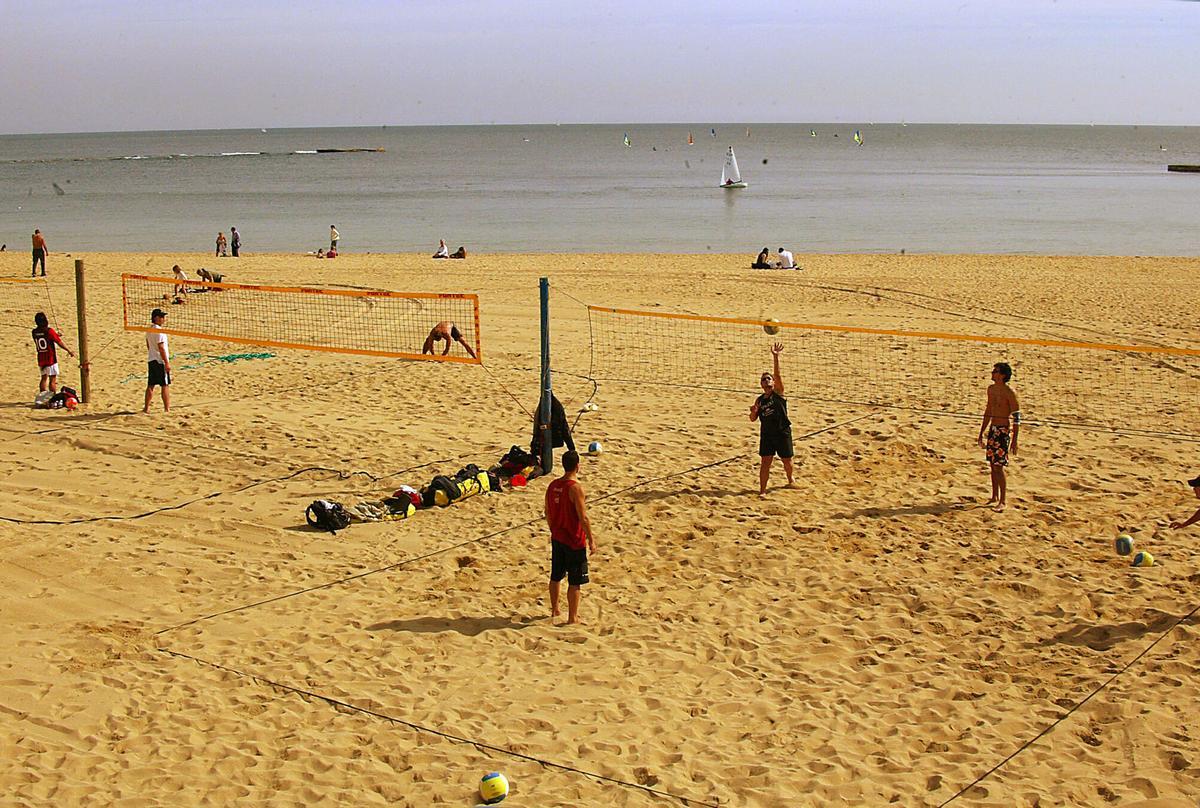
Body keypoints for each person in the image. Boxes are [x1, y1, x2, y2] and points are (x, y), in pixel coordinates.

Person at [545, 450, 595, 625]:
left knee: (556, 576)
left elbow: (548, 512)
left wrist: (553, 529)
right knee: (575, 582)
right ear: (578, 466)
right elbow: (583, 518)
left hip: (558, 537)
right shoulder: (575, 488)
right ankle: (572, 618)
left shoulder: (552, 485)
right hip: (574, 540)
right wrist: (591, 540)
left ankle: (555, 609)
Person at [750, 343, 795, 495]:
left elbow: (778, 375)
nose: (767, 380)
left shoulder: (778, 393)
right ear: (761, 384)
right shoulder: (760, 400)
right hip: (767, 435)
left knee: (787, 462)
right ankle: (762, 490)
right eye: (764, 379)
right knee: (765, 463)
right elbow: (752, 419)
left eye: (769, 379)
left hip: (782, 432)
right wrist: (754, 412)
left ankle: (790, 480)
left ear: (773, 382)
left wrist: (775, 357)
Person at [978, 361, 1020, 510]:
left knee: (998, 467)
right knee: (991, 464)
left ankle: (1002, 500)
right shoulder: (991, 389)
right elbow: (988, 411)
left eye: (995, 371)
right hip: (993, 429)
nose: (992, 373)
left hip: (1003, 431)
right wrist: (981, 432)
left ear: (1002, 375)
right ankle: (994, 496)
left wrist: (1014, 440)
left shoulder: (1009, 392)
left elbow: (1017, 417)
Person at [32, 312, 73, 394]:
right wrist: (68, 350)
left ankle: (42, 397)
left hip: (41, 358)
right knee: (52, 380)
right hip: (50, 358)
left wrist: (55, 335)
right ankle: (52, 397)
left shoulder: (34, 332)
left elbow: (44, 336)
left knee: (43, 378)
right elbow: (59, 342)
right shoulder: (49, 331)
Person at [530, 394, 576, 460]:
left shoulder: (556, 407)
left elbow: (564, 428)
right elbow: (565, 429)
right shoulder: (549, 406)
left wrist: (572, 448)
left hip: (551, 438)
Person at [144, 308, 171, 413]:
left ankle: (146, 408)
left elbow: (148, 345)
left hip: (151, 359)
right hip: (160, 361)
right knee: (165, 385)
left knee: (150, 385)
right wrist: (167, 362)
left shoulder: (149, 330)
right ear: (156, 318)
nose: (163, 319)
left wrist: (152, 353)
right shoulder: (159, 331)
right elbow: (161, 347)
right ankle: (167, 409)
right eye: (162, 317)